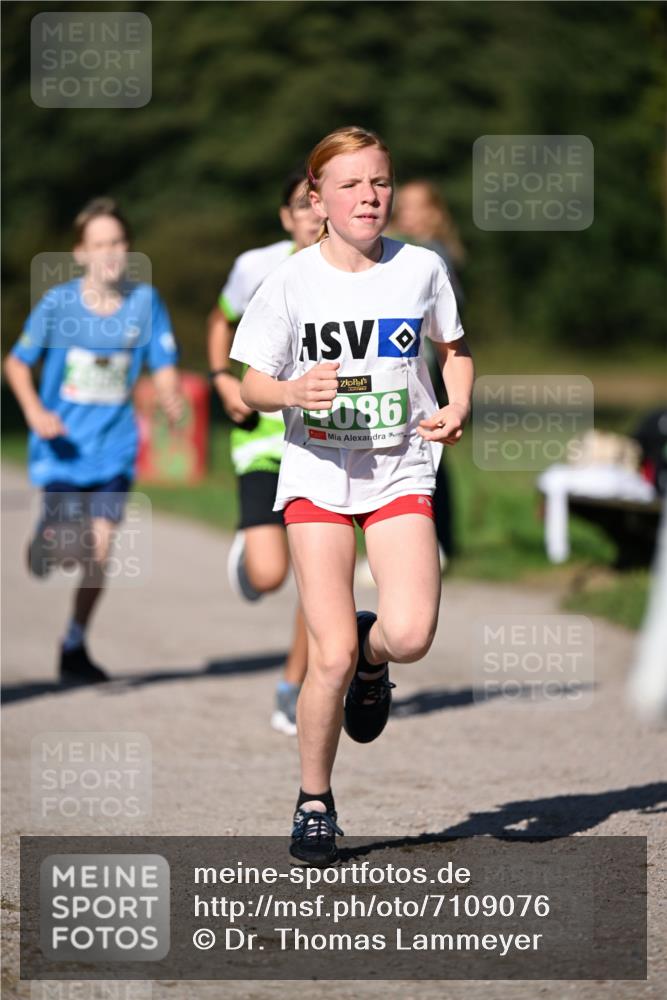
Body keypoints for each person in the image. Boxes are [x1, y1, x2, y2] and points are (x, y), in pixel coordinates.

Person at [231, 126, 474, 865]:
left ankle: (378, 658)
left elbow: (453, 351)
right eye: (350, 185)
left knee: (410, 635)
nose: (368, 196)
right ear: (318, 200)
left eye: (379, 182)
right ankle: (314, 802)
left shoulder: (421, 267)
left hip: (399, 469)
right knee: (328, 657)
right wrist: (291, 391)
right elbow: (250, 382)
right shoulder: (291, 280)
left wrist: (457, 404)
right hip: (318, 474)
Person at [4, 197, 182, 684]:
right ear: (81, 252)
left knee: (99, 554)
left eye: (118, 242)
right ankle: (46, 544)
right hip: (63, 450)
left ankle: (74, 643)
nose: (110, 253)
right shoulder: (57, 305)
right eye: (100, 244)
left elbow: (163, 363)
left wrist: (169, 395)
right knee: (69, 551)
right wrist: (35, 412)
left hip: (114, 449)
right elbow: (16, 364)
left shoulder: (145, 303)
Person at [207, 171, 320, 735]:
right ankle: (251, 557)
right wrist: (220, 378)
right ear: (285, 216)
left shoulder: (358, 271)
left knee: (319, 576)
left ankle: (293, 686)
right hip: (263, 439)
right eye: (303, 204)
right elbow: (220, 319)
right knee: (271, 573)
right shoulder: (257, 266)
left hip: (325, 443)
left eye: (321, 202)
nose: (314, 214)